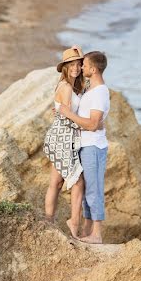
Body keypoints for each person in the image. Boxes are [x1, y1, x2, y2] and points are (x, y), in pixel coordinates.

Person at [58, 51, 110, 244]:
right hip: (85, 145)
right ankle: (88, 231)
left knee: (94, 189)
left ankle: (97, 234)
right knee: (87, 187)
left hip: (94, 146)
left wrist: (67, 113)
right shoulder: (91, 90)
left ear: (94, 69)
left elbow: (92, 124)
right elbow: (95, 121)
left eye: (85, 65)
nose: (82, 68)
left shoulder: (99, 92)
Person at [43, 46, 86, 238]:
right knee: (77, 182)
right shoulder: (67, 87)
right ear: (65, 67)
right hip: (63, 137)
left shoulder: (72, 86)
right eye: (72, 65)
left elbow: (64, 112)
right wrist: (86, 125)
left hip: (63, 136)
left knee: (56, 182)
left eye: (79, 64)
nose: (76, 68)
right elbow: (68, 116)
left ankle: (48, 221)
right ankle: (73, 224)